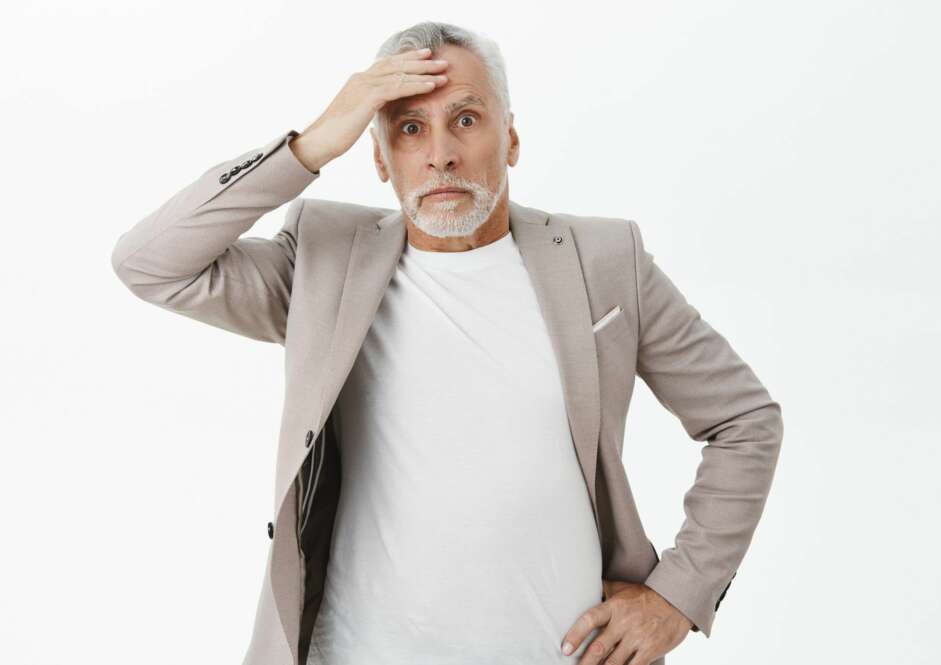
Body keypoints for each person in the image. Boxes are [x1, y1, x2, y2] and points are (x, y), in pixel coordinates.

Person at [110, 21, 783, 665]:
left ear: (510, 138)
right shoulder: (323, 261)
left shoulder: (603, 260)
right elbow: (149, 264)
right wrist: (311, 145)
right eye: (409, 128)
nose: (440, 155)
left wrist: (678, 595)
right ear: (379, 157)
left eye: (465, 119)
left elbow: (744, 418)